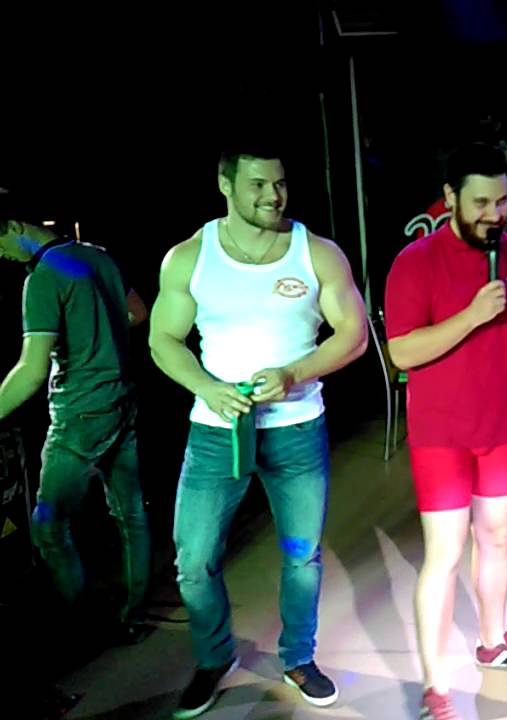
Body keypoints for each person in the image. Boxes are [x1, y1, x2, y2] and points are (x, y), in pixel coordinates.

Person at [149, 139, 367, 718]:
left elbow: (354, 335)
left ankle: (298, 657)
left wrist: (294, 372)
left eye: (280, 183)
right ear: (225, 185)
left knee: (301, 555)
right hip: (216, 431)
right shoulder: (189, 257)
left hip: (296, 429)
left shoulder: (316, 253)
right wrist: (207, 386)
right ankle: (213, 656)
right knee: (194, 560)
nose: (273, 196)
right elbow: (162, 339)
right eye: (258, 185)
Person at [384, 143, 507, 720]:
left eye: (501, 201)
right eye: (480, 203)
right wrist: (471, 315)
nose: (494, 214)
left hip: (503, 431)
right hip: (441, 438)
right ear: (450, 199)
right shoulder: (415, 262)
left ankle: (493, 642)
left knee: (497, 536)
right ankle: (436, 686)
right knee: (444, 553)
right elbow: (402, 352)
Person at [0, 207, 152, 647]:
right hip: (121, 401)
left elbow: (31, 371)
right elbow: (137, 313)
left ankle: (86, 628)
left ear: (14, 226)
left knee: (48, 526)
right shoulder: (97, 256)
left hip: (79, 415)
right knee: (131, 515)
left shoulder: (43, 277)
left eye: (0, 244)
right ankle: (132, 616)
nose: (3, 255)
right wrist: (95, 336)